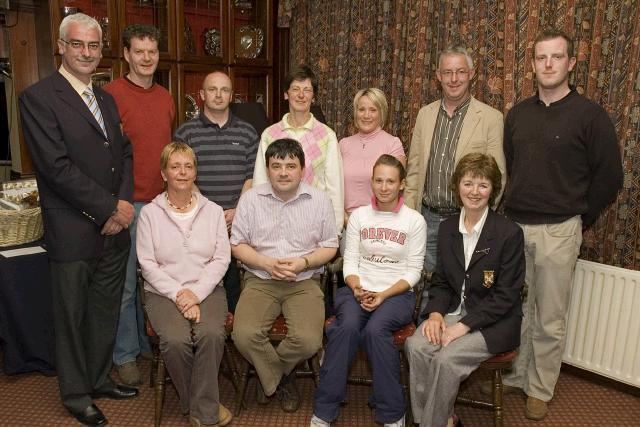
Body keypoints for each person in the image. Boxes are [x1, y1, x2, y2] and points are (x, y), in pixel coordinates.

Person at [497, 29, 623, 421]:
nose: (548, 64)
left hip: (559, 230)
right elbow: (511, 166)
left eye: (556, 57)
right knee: (517, 311)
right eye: (540, 57)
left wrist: (581, 218)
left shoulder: (590, 116)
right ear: (532, 64)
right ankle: (516, 375)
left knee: (550, 317)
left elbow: (611, 176)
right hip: (516, 227)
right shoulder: (517, 114)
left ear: (570, 63)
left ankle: (540, 387)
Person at [19, 13, 137, 426]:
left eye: (92, 46)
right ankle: (75, 394)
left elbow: (123, 154)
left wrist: (122, 207)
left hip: (114, 229)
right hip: (73, 229)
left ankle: (100, 377)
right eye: (77, 45)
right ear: (61, 47)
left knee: (105, 311)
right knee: (71, 317)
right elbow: (56, 168)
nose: (86, 53)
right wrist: (109, 208)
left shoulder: (104, 97)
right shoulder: (38, 97)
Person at [405, 153, 525, 427]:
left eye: (483, 185)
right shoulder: (448, 228)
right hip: (450, 313)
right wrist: (435, 314)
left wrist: (463, 327)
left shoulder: (509, 233)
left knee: (447, 361)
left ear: (493, 190)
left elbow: (506, 296)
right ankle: (442, 420)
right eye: (468, 183)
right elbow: (442, 281)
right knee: (416, 346)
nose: (474, 191)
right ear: (457, 186)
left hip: (493, 322)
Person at [311, 155, 426, 427]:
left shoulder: (414, 221)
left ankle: (392, 413)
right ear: (371, 182)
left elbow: (414, 271)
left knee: (376, 331)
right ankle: (324, 411)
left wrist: (384, 295)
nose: (384, 187)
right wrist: (357, 288)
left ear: (401, 185)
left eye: (390, 181)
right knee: (347, 327)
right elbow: (349, 261)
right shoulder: (360, 217)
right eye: (379, 180)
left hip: (396, 295)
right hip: (357, 289)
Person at [231, 138, 338, 413]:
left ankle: (270, 375)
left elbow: (330, 245)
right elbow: (237, 244)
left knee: (309, 340)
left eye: (291, 166)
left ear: (302, 169)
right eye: (276, 166)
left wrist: (304, 262)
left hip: (304, 281)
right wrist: (266, 263)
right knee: (243, 335)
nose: (283, 172)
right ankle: (280, 380)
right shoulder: (251, 199)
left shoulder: (319, 200)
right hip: (260, 279)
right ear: (267, 169)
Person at [136, 142, 232, 427]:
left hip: (208, 288)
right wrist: (179, 294)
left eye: (188, 166)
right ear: (164, 173)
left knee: (212, 334)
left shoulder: (213, 211)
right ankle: (203, 406)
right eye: (175, 166)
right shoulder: (150, 215)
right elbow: (147, 264)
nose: (182, 172)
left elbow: (221, 258)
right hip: (164, 293)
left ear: (195, 172)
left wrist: (197, 292)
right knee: (175, 341)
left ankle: (198, 408)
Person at [104, 23, 175, 386]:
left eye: (152, 51)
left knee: (154, 281)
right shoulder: (111, 95)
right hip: (129, 205)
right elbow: (106, 156)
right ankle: (125, 354)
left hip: (162, 204)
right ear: (127, 55)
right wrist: (117, 202)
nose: (146, 58)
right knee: (126, 284)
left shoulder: (166, 96)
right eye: (139, 51)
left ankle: (145, 340)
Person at [404, 45, 505, 276]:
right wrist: (411, 216)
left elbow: (498, 176)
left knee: (462, 285)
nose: (454, 79)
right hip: (425, 218)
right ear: (438, 77)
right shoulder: (424, 115)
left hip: (464, 219)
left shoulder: (491, 118)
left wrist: (479, 219)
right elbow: (414, 170)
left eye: (460, 72)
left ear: (471, 74)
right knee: (425, 286)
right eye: (447, 72)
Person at [174, 70, 259, 314]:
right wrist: (210, 213)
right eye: (212, 89)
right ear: (202, 94)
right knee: (202, 273)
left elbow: (252, 177)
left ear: (232, 95)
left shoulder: (248, 132)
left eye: (224, 90)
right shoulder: (185, 133)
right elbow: (182, 176)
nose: (218, 95)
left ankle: (235, 328)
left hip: (239, 219)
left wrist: (238, 212)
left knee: (235, 276)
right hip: (197, 217)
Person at [251, 65, 344, 234]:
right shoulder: (270, 134)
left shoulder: (326, 135)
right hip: (275, 221)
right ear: (286, 94)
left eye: (307, 90)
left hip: (314, 220)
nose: (301, 95)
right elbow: (260, 181)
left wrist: (336, 230)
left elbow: (334, 186)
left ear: (313, 97)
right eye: (295, 89)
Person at [340, 88, 406, 228]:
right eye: (362, 109)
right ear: (355, 112)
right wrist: (347, 221)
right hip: (348, 223)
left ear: (381, 113)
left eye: (373, 110)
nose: (366, 115)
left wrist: (376, 223)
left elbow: (395, 188)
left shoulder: (393, 144)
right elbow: (334, 187)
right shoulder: (343, 144)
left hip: (382, 223)